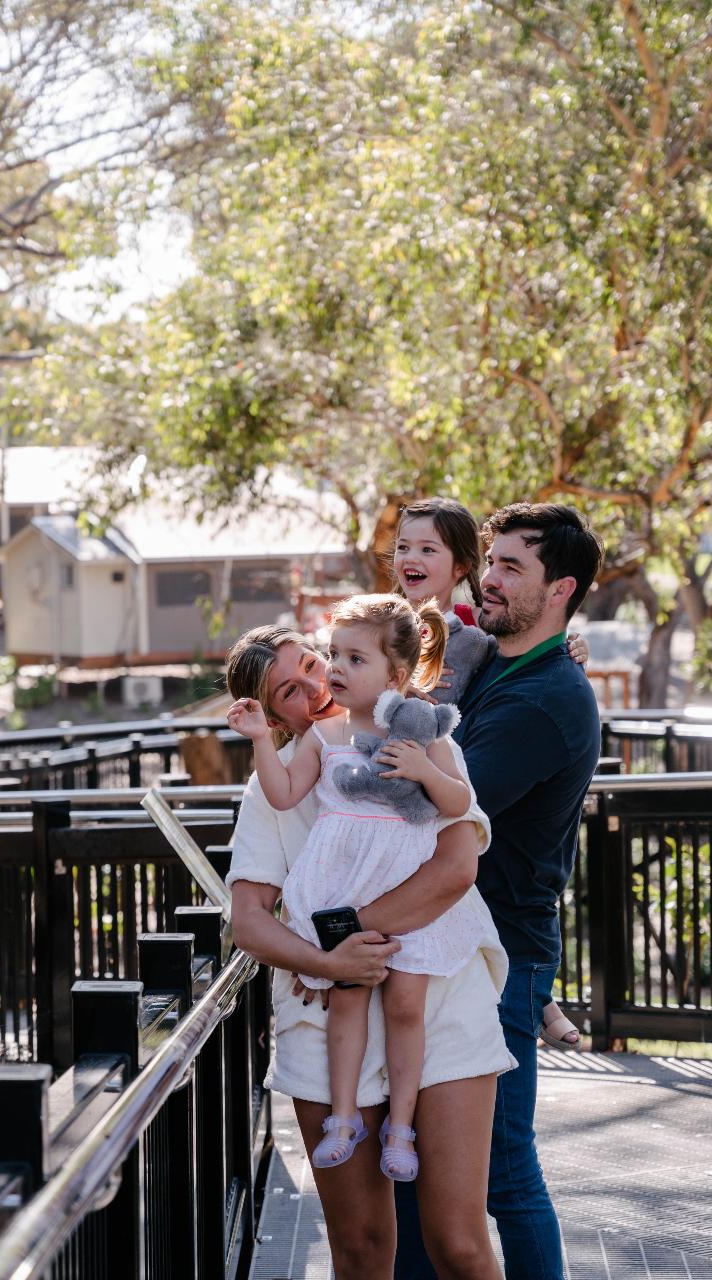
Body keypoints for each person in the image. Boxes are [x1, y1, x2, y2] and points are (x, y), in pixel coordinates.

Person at [226, 624, 513, 1280]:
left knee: (461, 1243)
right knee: (360, 1245)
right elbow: (248, 921)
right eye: (290, 692)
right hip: (329, 1016)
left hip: (437, 994)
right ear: (274, 717)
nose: (314, 686)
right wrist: (328, 965)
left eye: (312, 664)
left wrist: (332, 940)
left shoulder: (421, 740)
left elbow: (454, 870)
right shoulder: (273, 788)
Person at [393, 501, 603, 1280]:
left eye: (513, 567)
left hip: (501, 960)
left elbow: (433, 808)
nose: (490, 576)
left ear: (560, 590)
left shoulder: (544, 699)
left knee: (505, 1174)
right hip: (448, 943)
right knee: (408, 1166)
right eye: (492, 559)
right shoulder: (495, 664)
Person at [393, 496, 585, 1052]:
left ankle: (540, 997)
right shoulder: (391, 627)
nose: (492, 577)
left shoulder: (484, 649)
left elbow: (451, 799)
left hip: (495, 923)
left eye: (511, 566)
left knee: (496, 1132)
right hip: (457, 911)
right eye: (404, 547)